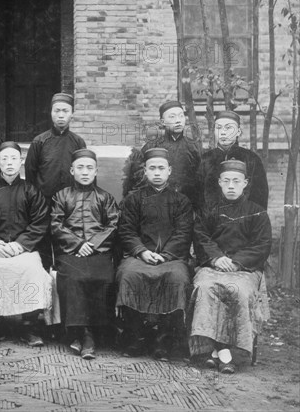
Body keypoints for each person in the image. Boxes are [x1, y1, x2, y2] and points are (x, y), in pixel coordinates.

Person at [189, 160, 272, 374]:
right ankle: (214, 351)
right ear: (219, 183)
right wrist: (216, 258)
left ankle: (227, 353)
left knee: (239, 292)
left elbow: (262, 245)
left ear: (245, 183)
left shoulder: (257, 212)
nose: (231, 186)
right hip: (213, 266)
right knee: (205, 288)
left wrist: (236, 262)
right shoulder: (209, 210)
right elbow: (200, 237)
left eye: (236, 181)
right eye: (226, 181)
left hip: (244, 270)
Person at [116, 147, 193, 360]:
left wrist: (166, 255)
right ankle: (135, 337)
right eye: (152, 168)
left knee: (177, 278)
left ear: (169, 171)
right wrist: (141, 252)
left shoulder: (182, 202)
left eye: (161, 168)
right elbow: (127, 230)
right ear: (145, 171)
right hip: (139, 257)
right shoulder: (133, 200)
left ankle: (163, 339)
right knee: (129, 275)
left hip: (172, 259)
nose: (157, 172)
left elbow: (183, 233)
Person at [0, 142, 52, 346]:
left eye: (13, 158)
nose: (9, 163)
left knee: (31, 268)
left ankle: (29, 325)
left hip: (23, 249)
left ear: (21, 162)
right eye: (5, 159)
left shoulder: (31, 191)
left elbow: (39, 222)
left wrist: (20, 245)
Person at [51, 149, 120, 359]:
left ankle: (94, 332)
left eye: (89, 168)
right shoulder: (61, 196)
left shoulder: (105, 198)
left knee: (102, 277)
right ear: (72, 170)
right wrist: (78, 244)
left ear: (96, 171)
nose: (84, 172)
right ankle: (80, 332)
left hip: (98, 252)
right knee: (74, 278)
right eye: (80, 167)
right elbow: (56, 224)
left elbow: (113, 225)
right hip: (70, 253)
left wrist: (91, 244)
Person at [123, 101, 201, 207]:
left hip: (185, 205)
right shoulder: (151, 147)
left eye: (181, 116)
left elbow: (199, 182)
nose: (178, 121)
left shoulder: (193, 148)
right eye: (172, 117)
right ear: (162, 122)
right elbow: (135, 181)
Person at [198, 110, 268, 210]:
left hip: (244, 220)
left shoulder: (251, 159)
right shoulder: (205, 159)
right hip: (212, 221)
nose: (222, 132)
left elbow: (260, 197)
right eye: (218, 128)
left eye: (228, 128)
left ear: (238, 131)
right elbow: (198, 197)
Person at [25, 93, 87, 203]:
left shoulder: (78, 142)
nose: (61, 115)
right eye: (57, 111)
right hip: (44, 202)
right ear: (51, 113)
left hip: (71, 201)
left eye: (65, 111)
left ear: (72, 114)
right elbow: (30, 173)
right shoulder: (39, 141)